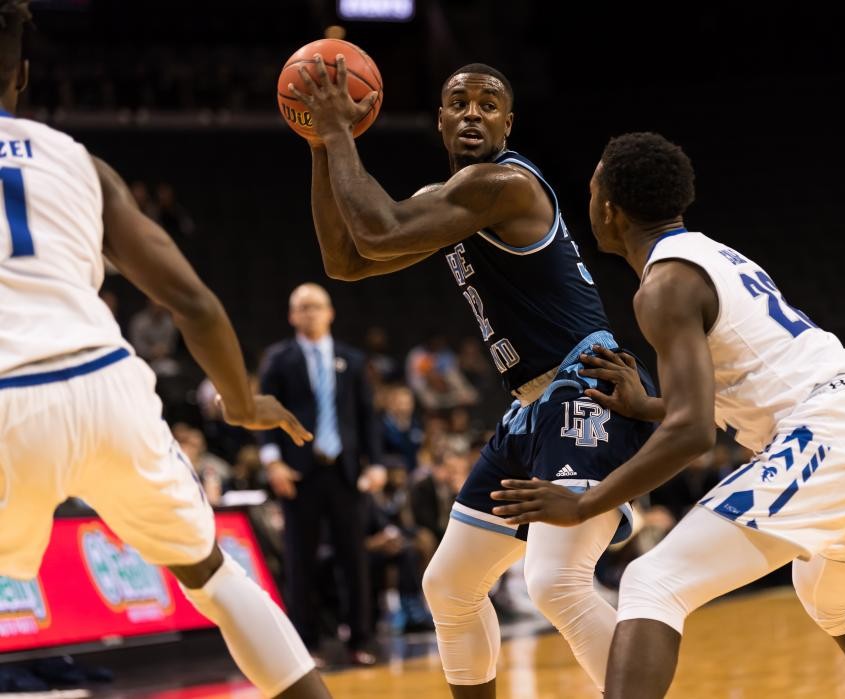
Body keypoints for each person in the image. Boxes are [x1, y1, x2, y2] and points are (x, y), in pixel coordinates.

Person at [490, 132, 845, 698]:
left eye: (593, 187)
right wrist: (647, 405)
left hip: (832, 434)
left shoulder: (664, 286)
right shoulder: (708, 253)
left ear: (607, 208)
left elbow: (692, 432)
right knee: (829, 599)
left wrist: (584, 503)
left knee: (652, 582)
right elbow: (734, 382)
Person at [287, 58, 656, 697]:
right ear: (439, 119)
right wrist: (322, 143)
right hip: (531, 409)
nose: (472, 114)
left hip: (587, 388)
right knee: (450, 586)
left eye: (488, 105)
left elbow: (379, 229)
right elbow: (346, 259)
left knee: (556, 582)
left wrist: (341, 132)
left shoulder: (504, 186)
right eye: (459, 103)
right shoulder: (452, 201)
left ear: (507, 124)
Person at [0, 3, 331, 697]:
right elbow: (195, 301)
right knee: (212, 575)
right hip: (104, 380)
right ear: (22, 75)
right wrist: (240, 401)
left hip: (6, 394)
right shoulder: (77, 161)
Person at [258, 283, 386, 666]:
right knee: (300, 561)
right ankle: (305, 645)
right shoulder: (278, 359)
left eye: (315, 306)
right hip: (299, 474)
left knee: (354, 559)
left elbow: (367, 417)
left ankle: (361, 640)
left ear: (330, 312)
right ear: (291, 315)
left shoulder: (351, 358)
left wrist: (376, 462)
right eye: (301, 307)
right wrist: (272, 461)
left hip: (344, 472)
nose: (309, 313)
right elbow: (264, 413)